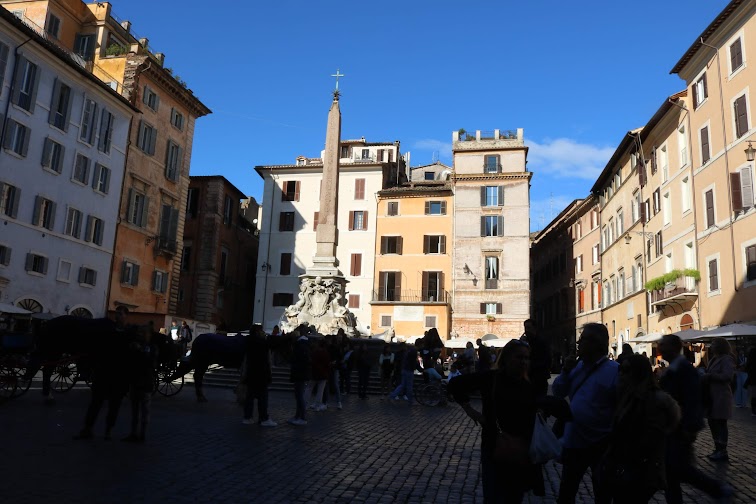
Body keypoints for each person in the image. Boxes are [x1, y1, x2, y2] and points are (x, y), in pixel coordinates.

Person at [448, 339, 541, 503]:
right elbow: (455, 384)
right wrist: (470, 411)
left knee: (514, 497)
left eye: (527, 358)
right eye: (519, 357)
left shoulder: (529, 383)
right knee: (494, 496)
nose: (524, 362)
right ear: (507, 358)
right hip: (494, 445)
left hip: (522, 448)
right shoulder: (491, 378)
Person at [657, 334, 732, 504]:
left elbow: (692, 399)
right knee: (673, 470)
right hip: (674, 425)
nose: (661, 348)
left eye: (664, 345)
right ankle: (716, 490)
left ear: (674, 348)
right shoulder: (674, 368)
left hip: (681, 426)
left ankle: (718, 489)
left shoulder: (684, 369)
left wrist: (689, 427)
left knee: (678, 469)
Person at [551, 322, 618, 504]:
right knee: (566, 493)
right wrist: (565, 371)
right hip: (574, 441)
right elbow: (558, 391)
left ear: (597, 343)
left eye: (583, 340)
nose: (578, 343)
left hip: (601, 443)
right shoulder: (576, 367)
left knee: (602, 494)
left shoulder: (614, 371)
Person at [601, 354, 681, 503]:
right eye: (620, 370)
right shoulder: (626, 396)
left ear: (638, 373)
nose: (621, 374)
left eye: (626, 370)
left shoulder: (652, 401)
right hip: (624, 465)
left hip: (640, 470)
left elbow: (650, 439)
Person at [74, 306, 132, 441]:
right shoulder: (108, 330)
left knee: (114, 405)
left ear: (126, 316)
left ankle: (108, 431)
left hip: (118, 376)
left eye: (120, 314)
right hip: (103, 373)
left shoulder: (128, 334)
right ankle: (88, 429)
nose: (117, 316)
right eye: (117, 313)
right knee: (96, 402)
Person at [241, 324, 283, 427]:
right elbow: (273, 344)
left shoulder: (249, 341)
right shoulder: (260, 343)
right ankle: (264, 418)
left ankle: (247, 417)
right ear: (257, 332)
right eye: (262, 331)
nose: (264, 332)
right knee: (263, 397)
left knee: (250, 397)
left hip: (251, 373)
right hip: (260, 374)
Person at [122, 325, 158, 443]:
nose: (141, 335)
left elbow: (151, 363)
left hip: (146, 382)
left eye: (143, 333)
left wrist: (140, 351)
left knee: (144, 410)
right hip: (136, 381)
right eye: (140, 333)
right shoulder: (136, 346)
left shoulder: (151, 348)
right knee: (135, 410)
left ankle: (142, 434)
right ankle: (133, 433)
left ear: (149, 335)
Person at [703, 337, 736, 461]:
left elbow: (727, 376)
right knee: (712, 422)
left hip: (721, 395)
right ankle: (717, 448)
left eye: (713, 344)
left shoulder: (727, 359)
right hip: (711, 395)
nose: (711, 346)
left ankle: (722, 450)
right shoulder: (714, 359)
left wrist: (710, 376)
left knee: (720, 422)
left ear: (720, 346)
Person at [521, 319, 551, 396]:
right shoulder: (525, 341)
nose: (526, 330)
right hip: (529, 377)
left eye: (529, 327)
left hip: (539, 377)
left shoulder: (542, 341)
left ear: (534, 328)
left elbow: (546, 359)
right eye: (525, 328)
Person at [288, 332, 311, 426]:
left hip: (300, 374)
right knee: (298, 396)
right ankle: (298, 416)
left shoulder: (300, 347)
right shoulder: (304, 346)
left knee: (299, 396)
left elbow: (296, 360)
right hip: (301, 374)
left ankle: (302, 417)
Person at [307, 338, 331, 411]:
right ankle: (317, 405)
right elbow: (327, 364)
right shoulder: (325, 353)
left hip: (314, 372)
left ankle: (304, 404)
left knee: (309, 388)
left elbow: (311, 361)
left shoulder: (315, 352)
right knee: (320, 391)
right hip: (323, 373)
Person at [747, 347, 756, 416]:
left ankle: (753, 410)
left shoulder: (750, 360)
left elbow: (747, 368)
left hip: (753, 379)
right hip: (753, 378)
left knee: (754, 395)